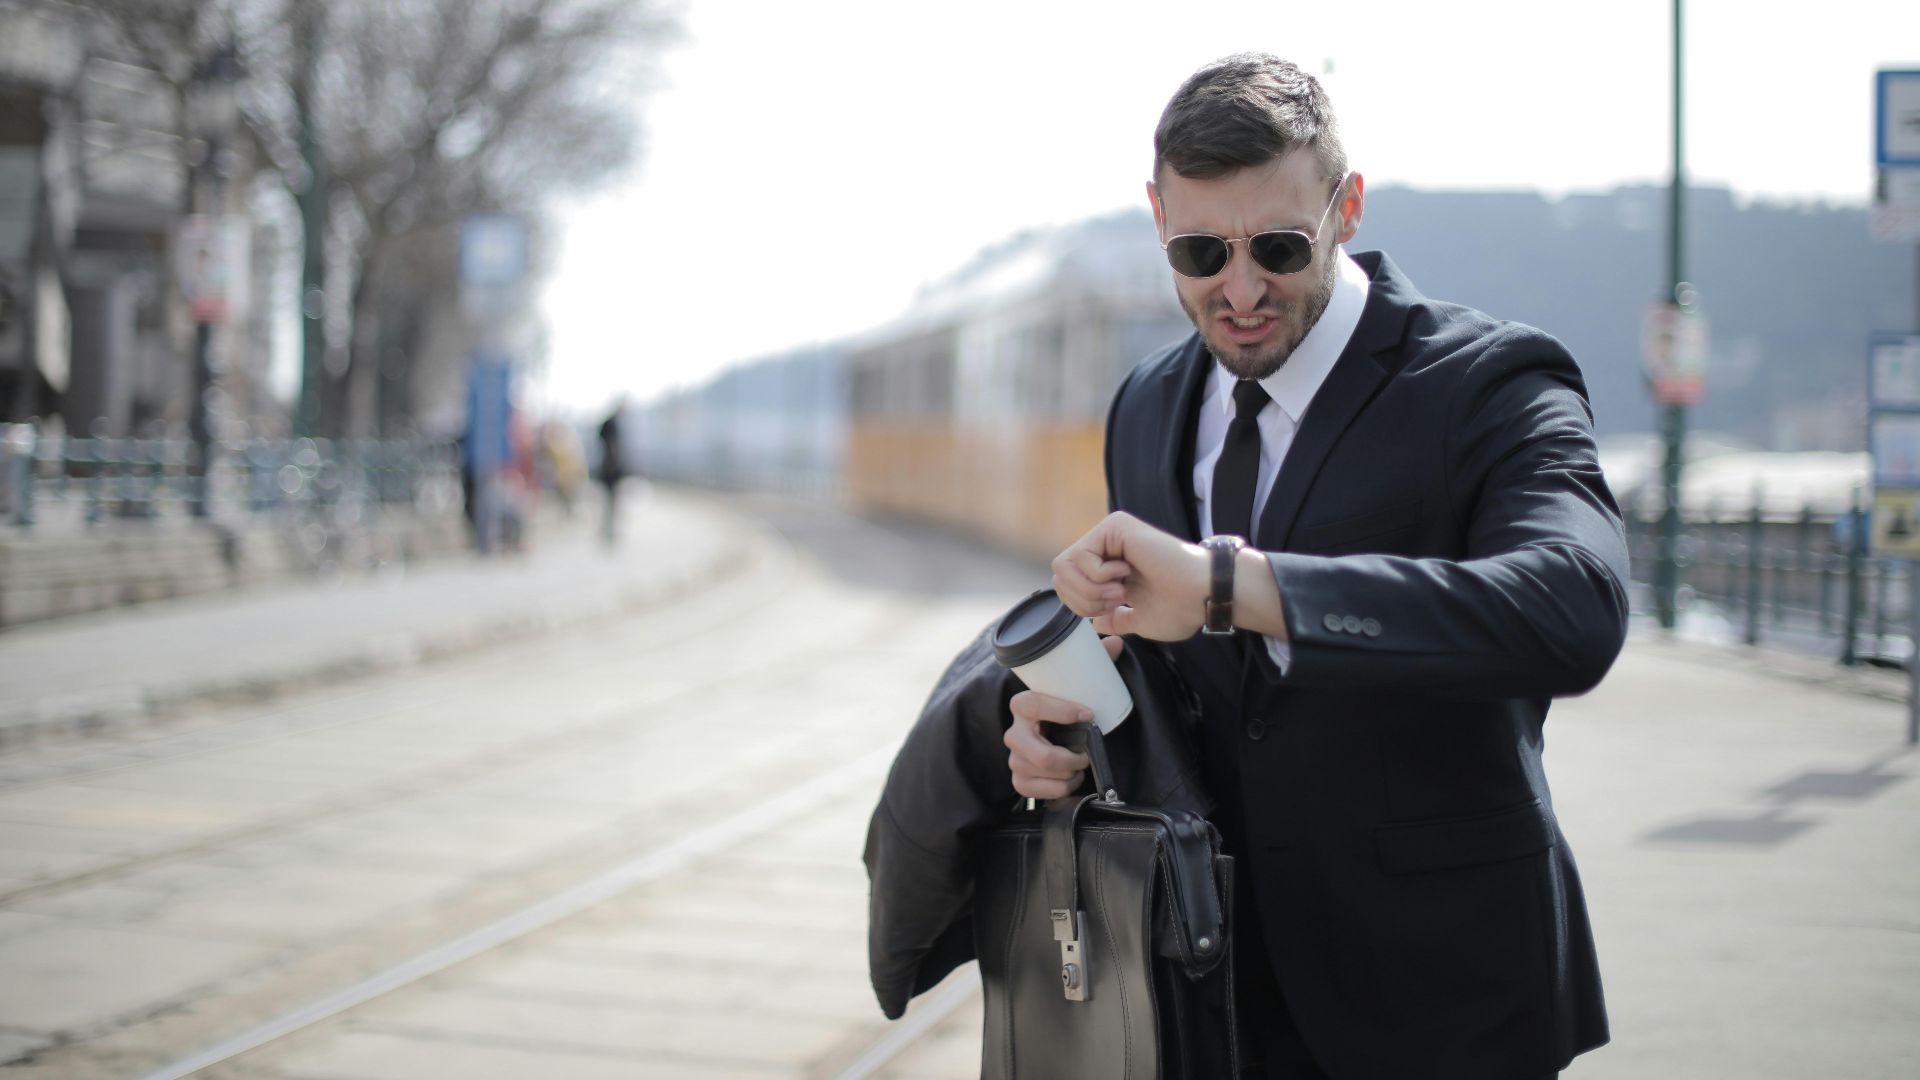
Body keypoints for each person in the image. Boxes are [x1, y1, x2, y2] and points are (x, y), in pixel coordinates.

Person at [1003, 54, 1629, 1079]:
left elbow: (1575, 609)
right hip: (1205, 994)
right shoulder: (1146, 405)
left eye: (1281, 247)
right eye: (1200, 251)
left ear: (1349, 207)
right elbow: (1178, 680)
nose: (1241, 288)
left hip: (1442, 998)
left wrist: (1234, 586)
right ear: (1157, 216)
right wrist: (1069, 737)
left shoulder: (1492, 382)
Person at [596, 400, 626, 543]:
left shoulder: (608, 423)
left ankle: (606, 529)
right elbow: (612, 447)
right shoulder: (613, 424)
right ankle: (608, 530)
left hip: (607, 469)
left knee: (608, 502)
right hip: (611, 471)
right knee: (611, 502)